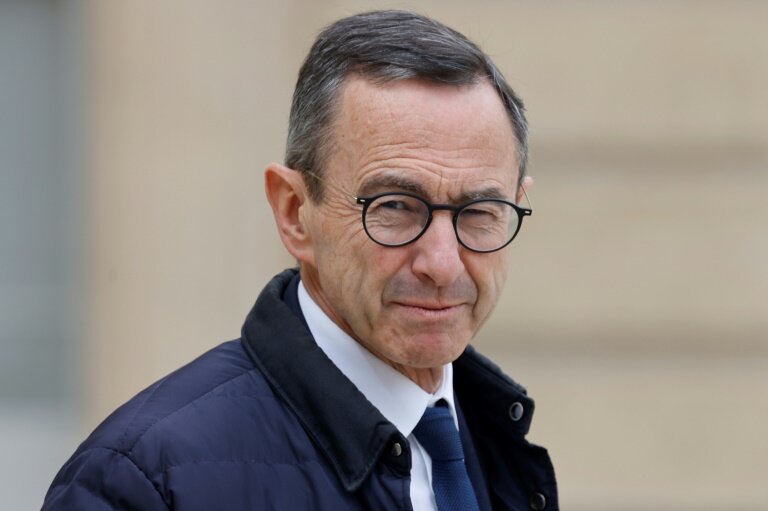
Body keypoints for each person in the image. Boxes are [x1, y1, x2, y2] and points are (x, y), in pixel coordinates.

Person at [43, 10, 557, 511]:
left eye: (479, 212)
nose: (443, 264)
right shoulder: (142, 482)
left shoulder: (492, 441)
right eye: (395, 207)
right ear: (293, 212)